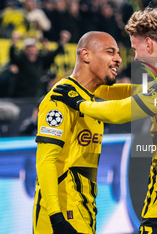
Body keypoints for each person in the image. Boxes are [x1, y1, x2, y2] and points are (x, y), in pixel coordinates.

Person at [52, 7, 157, 234]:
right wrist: (94, 86)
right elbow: (136, 91)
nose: (135, 57)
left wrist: (78, 101)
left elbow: (120, 112)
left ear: (149, 44)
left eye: (135, 49)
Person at [33, 31, 128, 234]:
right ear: (86, 55)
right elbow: (45, 161)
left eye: (118, 53)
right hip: (63, 214)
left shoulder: (86, 97)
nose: (118, 59)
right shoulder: (60, 98)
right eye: (110, 52)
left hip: (84, 208)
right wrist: (56, 218)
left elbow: (122, 92)